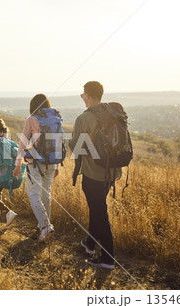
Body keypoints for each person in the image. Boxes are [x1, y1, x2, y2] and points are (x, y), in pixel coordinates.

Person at [69, 81, 122, 269]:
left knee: (100, 213)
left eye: (83, 95)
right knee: (97, 209)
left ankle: (108, 259)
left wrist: (74, 135)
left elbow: (76, 148)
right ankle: (90, 244)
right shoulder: (111, 114)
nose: (83, 98)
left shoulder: (84, 118)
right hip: (111, 172)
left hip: (94, 174)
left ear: (88, 96)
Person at [13, 94, 61, 242]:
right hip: (52, 162)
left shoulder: (31, 119)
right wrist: (57, 165)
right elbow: (58, 143)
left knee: (34, 194)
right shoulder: (56, 118)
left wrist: (18, 164)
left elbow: (22, 142)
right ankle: (44, 226)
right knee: (46, 194)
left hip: (36, 162)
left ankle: (46, 227)